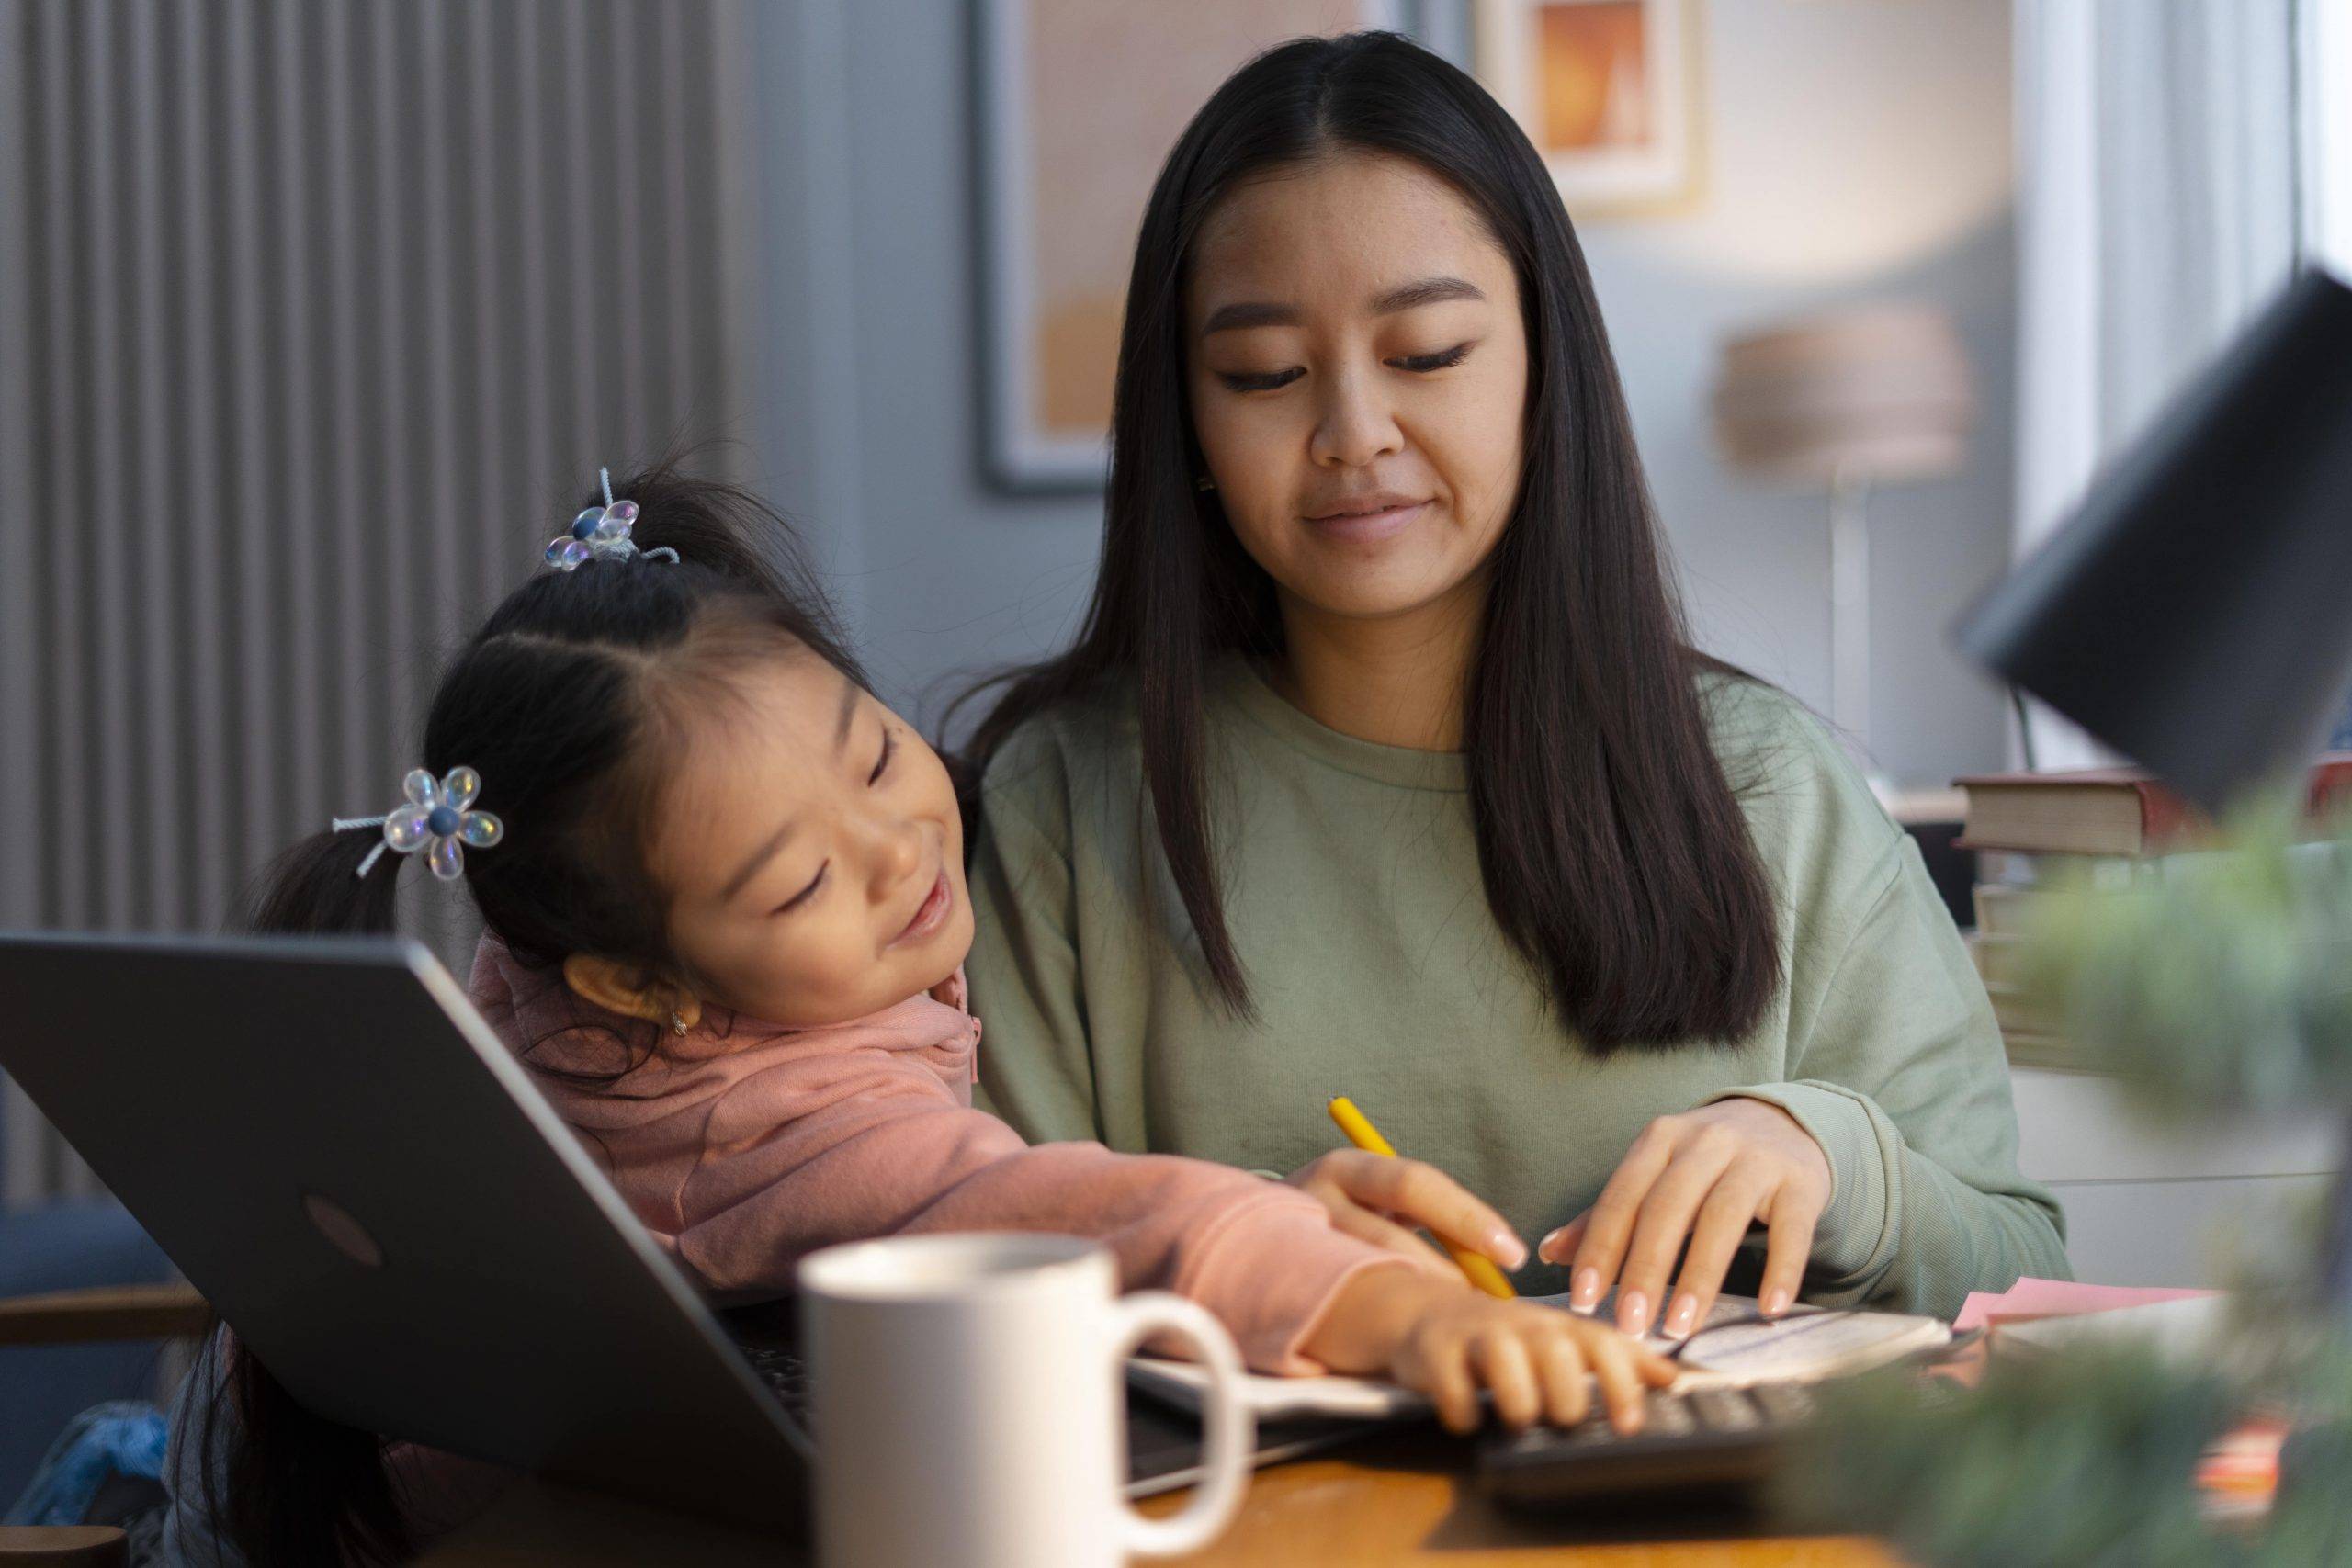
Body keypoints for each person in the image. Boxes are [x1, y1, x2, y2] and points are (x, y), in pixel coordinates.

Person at [164, 461, 1670, 1566]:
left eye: (878, 760)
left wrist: (1302, 1220)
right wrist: (1393, 1314)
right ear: (643, 980)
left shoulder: (550, 993)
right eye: (799, 875)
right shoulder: (780, 1143)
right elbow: (1061, 1208)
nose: (900, 853)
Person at [960, 32, 2068, 1350]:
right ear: (1186, 424)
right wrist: (1247, 1258)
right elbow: (974, 1292)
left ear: (1545, 368)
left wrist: (1836, 1157)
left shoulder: (1772, 789)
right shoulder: (1063, 805)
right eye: (1264, 375)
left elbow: (2026, 1271)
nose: (1354, 432)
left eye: (1427, 352)